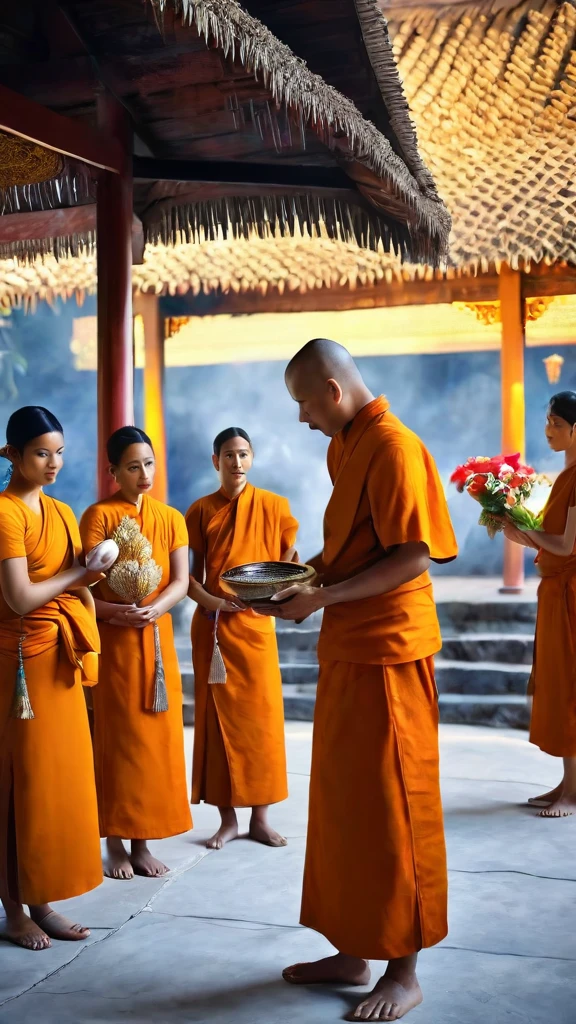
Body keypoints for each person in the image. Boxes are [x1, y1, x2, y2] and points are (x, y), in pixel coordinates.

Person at [258, 340, 458, 1022]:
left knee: (395, 805)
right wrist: (302, 577)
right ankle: (353, 949)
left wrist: (320, 599)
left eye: (304, 403)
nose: (302, 419)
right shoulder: (347, 445)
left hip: (391, 652)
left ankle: (404, 970)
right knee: (348, 807)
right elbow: (352, 549)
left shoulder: (396, 447)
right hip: (351, 648)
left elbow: (410, 557)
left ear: (334, 392)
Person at [0, 406, 108, 951]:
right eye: (41, 452)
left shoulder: (63, 512)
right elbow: (18, 598)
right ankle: (15, 908)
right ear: (12, 455)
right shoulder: (5, 513)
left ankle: (42, 899)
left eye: (59, 452)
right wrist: (79, 577)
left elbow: (77, 585)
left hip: (59, 659)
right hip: (18, 662)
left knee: (54, 784)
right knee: (20, 781)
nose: (54, 463)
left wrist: (94, 594)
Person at [79, 426, 192, 880]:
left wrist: (153, 608)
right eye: (132, 466)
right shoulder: (98, 517)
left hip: (156, 639)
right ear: (112, 472)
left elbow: (181, 580)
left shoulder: (171, 517)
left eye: (148, 463)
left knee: (153, 744)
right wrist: (117, 613)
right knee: (119, 740)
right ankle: (114, 841)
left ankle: (142, 841)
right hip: (117, 643)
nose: (144, 473)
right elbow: (83, 589)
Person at [186, 427, 298, 850]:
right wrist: (212, 601)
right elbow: (188, 578)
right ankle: (227, 819)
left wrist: (270, 594)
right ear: (216, 461)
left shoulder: (273, 506)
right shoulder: (199, 511)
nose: (237, 462)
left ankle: (261, 819)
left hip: (255, 627)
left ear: (252, 459)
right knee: (218, 724)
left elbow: (288, 562)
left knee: (262, 722)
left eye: (244, 454)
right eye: (229, 455)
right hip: (214, 630)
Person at [503, 391, 576, 818]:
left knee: (569, 685)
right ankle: (569, 782)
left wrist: (525, 535)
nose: (547, 430)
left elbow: (567, 546)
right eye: (547, 421)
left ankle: (572, 794)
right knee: (558, 680)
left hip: (570, 594)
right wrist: (519, 528)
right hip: (555, 592)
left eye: (554, 423)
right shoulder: (566, 474)